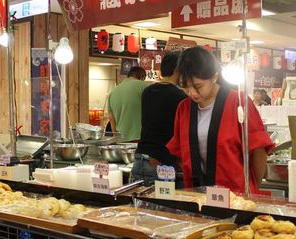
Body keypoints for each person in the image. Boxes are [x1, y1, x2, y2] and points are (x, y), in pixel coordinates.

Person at [167, 47, 274, 195]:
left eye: (198, 86)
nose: (191, 93)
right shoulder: (184, 108)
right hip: (196, 195)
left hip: (236, 194)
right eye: (185, 87)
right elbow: (180, 153)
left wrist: (252, 187)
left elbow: (259, 151)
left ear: (214, 77)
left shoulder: (239, 102)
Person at [133, 52, 186, 186]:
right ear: (177, 70)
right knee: (162, 200)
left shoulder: (147, 91)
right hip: (161, 164)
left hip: (140, 159)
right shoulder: (180, 97)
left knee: (137, 199)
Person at [107, 66, 148, 142]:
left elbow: (111, 117)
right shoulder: (143, 86)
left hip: (120, 139)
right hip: (138, 138)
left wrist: (116, 136)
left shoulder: (113, 91)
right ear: (142, 77)